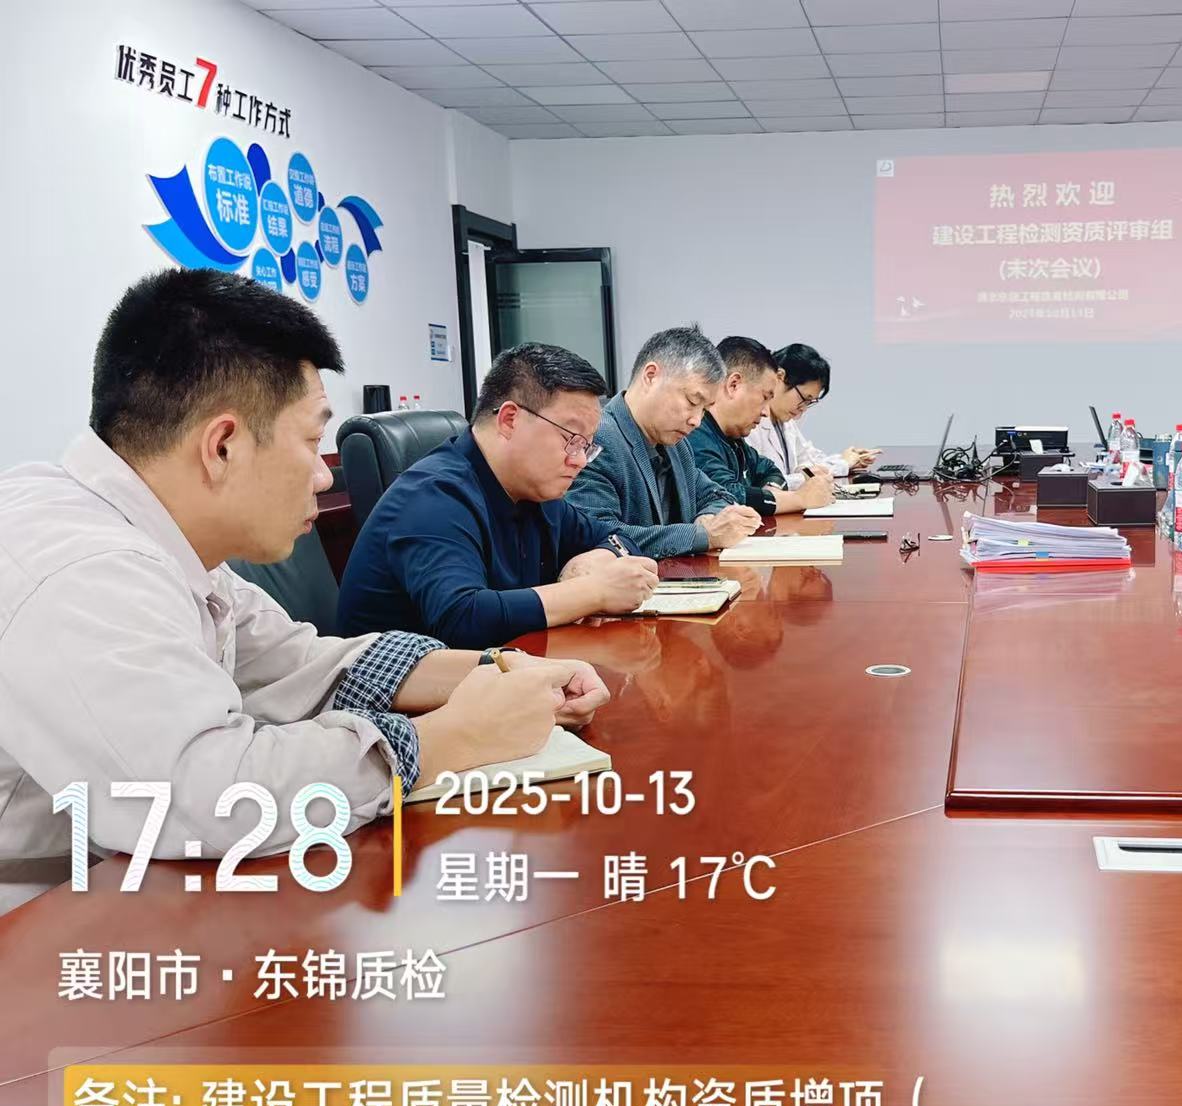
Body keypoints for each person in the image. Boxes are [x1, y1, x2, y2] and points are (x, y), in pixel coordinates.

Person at [0, 269, 609, 911]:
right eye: (313, 440)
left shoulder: (159, 538)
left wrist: (497, 671)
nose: (323, 475)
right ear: (223, 446)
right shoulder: (79, 567)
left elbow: (294, 661)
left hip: (132, 892)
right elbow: (208, 800)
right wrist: (450, 739)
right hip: (43, 920)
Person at [337, 342, 660, 648]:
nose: (578, 460)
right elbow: (462, 616)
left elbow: (617, 536)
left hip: (507, 670)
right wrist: (592, 592)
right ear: (509, 419)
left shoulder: (538, 493)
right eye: (571, 438)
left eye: (586, 445)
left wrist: (598, 558)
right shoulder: (432, 497)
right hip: (408, 686)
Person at [566, 326, 761, 558]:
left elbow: (717, 495)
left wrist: (708, 518)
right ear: (651, 376)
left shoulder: (677, 445)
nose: (696, 420)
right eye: (692, 401)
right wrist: (702, 535)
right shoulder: (598, 439)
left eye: (704, 409)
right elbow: (598, 535)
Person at [689, 337, 834, 516]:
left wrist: (771, 489)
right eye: (764, 397)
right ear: (734, 385)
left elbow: (770, 470)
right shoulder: (696, 434)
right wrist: (799, 499)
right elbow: (726, 496)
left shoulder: (734, 439)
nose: (766, 412)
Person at [748, 343, 879, 487]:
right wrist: (841, 464)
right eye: (804, 398)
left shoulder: (785, 421)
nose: (803, 408)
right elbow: (763, 484)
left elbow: (807, 461)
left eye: (809, 402)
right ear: (780, 378)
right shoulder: (750, 423)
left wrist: (844, 460)